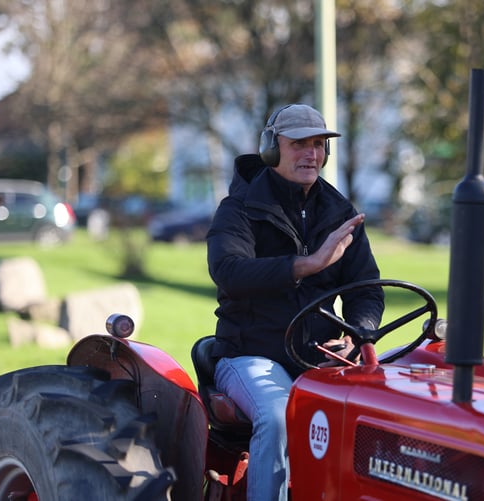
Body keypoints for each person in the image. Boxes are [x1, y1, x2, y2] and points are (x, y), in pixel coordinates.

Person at [206, 103, 384, 500]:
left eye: (319, 144)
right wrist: (306, 264)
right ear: (272, 149)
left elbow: (366, 288)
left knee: (386, 408)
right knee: (278, 415)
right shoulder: (239, 209)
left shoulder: (340, 211)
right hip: (248, 354)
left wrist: (356, 336)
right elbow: (229, 272)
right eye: (299, 144)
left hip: (321, 358)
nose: (312, 154)